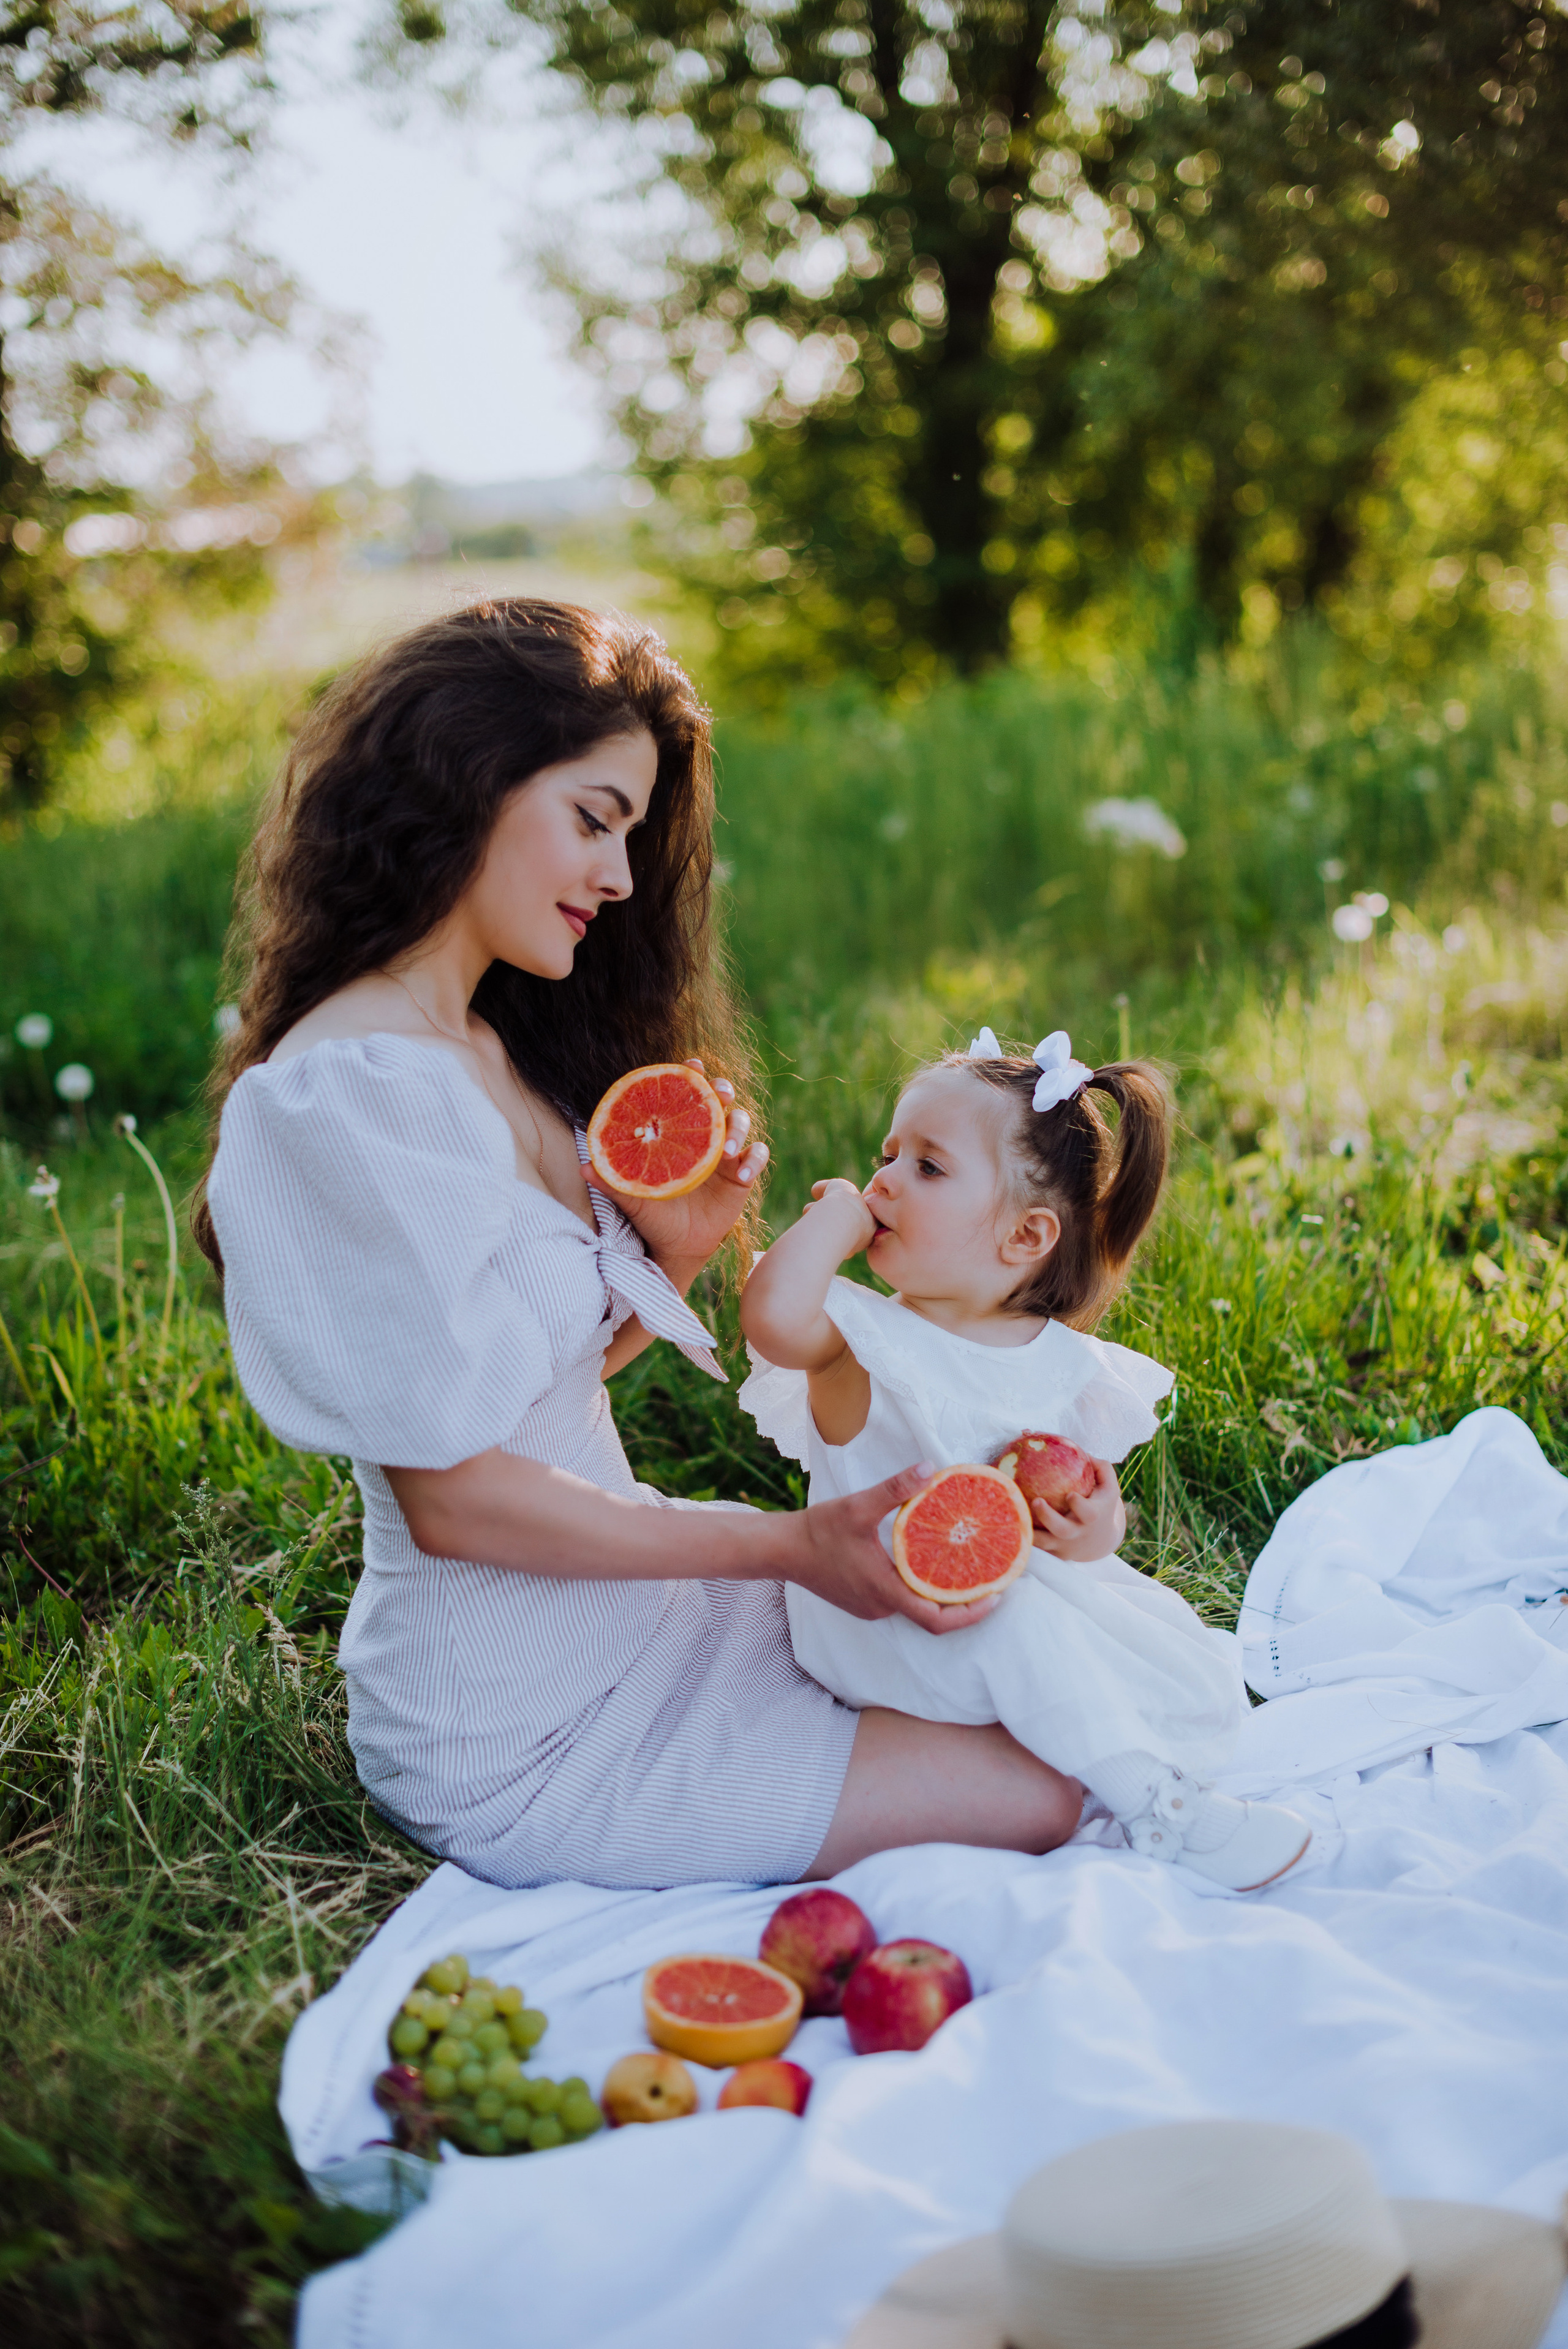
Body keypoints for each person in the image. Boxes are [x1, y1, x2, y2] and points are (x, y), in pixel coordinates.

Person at [198, 599, 1083, 1892]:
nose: (618, 878)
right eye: (594, 817)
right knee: (1044, 1791)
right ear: (467, 776)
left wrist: (671, 1257)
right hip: (519, 1733)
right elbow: (453, 1499)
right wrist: (786, 1543)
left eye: (631, 835)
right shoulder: (349, 1092)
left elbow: (523, 1393)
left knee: (1059, 1691)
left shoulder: (490, 1044)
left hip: (653, 1617)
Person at [738, 1026, 1313, 1891]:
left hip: (992, 1600)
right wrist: (831, 1219)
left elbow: (1093, 1512)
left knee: (1148, 1642)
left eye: (928, 1168)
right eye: (887, 1154)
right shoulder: (862, 1343)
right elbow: (773, 1318)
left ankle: (1085, 1741)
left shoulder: (1056, 1361)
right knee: (1016, 1627)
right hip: (881, 1616)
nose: (885, 1179)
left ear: (1024, 1237)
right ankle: (1157, 1809)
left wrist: (1092, 1528)